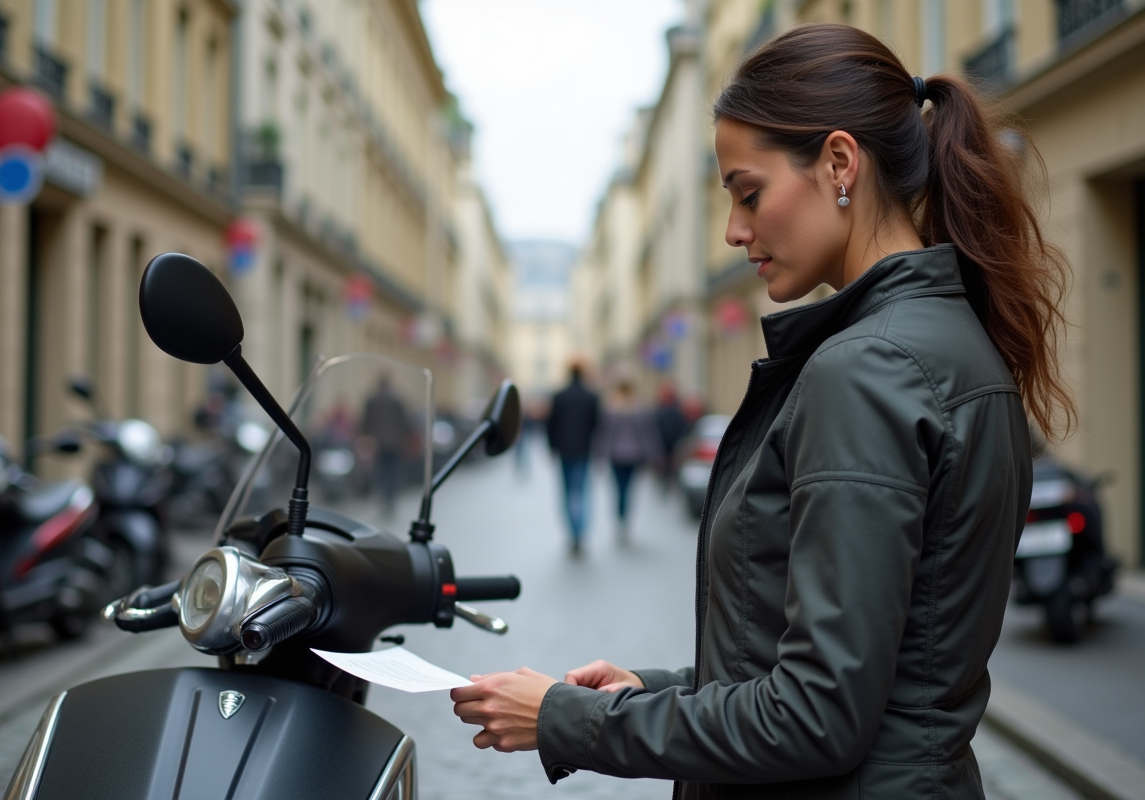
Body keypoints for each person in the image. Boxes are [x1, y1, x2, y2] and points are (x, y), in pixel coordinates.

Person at [450, 23, 1074, 800]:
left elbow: (816, 716)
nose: (734, 230)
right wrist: (647, 691)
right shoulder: (949, 341)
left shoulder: (867, 367)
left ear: (840, 163)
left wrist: (566, 718)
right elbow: (872, 666)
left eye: (749, 193)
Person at [593, 377, 663, 540]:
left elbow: (604, 435)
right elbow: (648, 435)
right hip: (634, 455)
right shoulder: (639, 408)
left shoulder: (611, 408)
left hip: (616, 455)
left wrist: (599, 455)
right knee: (629, 489)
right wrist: (655, 456)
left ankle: (621, 519)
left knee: (619, 489)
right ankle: (624, 520)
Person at [545, 361, 601, 553]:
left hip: (564, 450)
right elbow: (596, 425)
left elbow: (551, 424)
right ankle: (580, 532)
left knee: (568, 492)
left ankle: (573, 532)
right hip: (584, 450)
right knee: (581, 492)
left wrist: (551, 447)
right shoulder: (591, 397)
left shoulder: (559, 396)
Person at [360, 374, 412, 516]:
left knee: (381, 471)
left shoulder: (372, 399)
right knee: (392, 471)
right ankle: (390, 498)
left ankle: (383, 497)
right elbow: (404, 421)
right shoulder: (397, 399)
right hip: (395, 442)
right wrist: (406, 436)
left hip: (379, 442)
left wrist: (364, 435)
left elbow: (366, 420)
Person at [654, 382, 691, 492]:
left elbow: (682, 427)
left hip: (673, 443)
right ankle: (665, 482)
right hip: (663, 444)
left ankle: (668, 483)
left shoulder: (677, 411)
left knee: (671, 467)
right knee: (665, 467)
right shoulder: (659, 411)